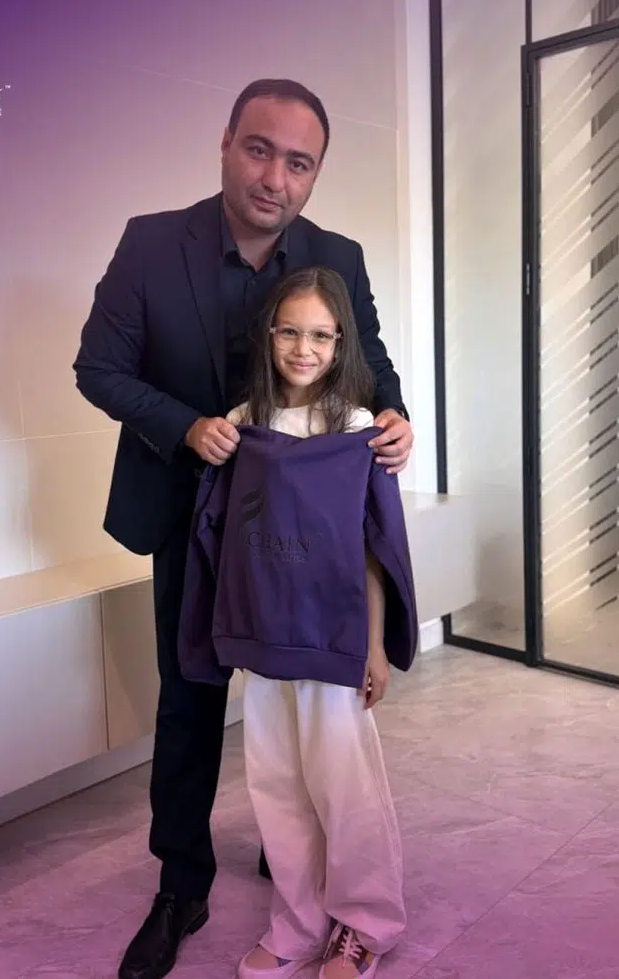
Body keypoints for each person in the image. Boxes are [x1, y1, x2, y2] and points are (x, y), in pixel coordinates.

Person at [73, 78, 414, 979]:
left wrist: (396, 416)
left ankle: (297, 869)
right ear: (226, 142)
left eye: (298, 163)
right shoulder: (151, 243)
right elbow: (97, 368)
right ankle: (180, 886)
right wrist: (187, 427)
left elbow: (368, 359)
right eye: (259, 150)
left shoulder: (335, 254)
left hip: (302, 533)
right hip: (189, 511)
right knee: (190, 703)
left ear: (315, 174)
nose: (275, 177)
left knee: (302, 712)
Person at [216, 266, 411, 979]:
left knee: (344, 785)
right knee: (277, 786)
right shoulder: (245, 424)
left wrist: (372, 646)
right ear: (268, 335)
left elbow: (372, 545)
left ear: (340, 344)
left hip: (331, 638)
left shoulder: (356, 429)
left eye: (321, 336)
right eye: (290, 332)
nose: (304, 349)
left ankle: (365, 923)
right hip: (268, 639)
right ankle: (297, 921)